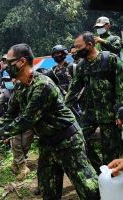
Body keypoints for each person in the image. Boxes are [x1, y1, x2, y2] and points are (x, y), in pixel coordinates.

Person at [0, 43, 100, 200]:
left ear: (22, 62)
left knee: (90, 190)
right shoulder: (20, 87)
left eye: (9, 62)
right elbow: (10, 114)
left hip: (68, 142)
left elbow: (27, 119)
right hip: (47, 144)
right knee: (48, 191)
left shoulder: (42, 85)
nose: (6, 66)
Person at [65, 31, 123, 173]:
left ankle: (112, 181)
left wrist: (120, 111)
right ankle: (99, 170)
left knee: (111, 152)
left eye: (79, 47)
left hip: (110, 114)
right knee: (77, 140)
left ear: (90, 45)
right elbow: (73, 90)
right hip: (89, 114)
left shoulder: (110, 59)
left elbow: (121, 87)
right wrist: (61, 109)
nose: (76, 50)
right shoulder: (81, 66)